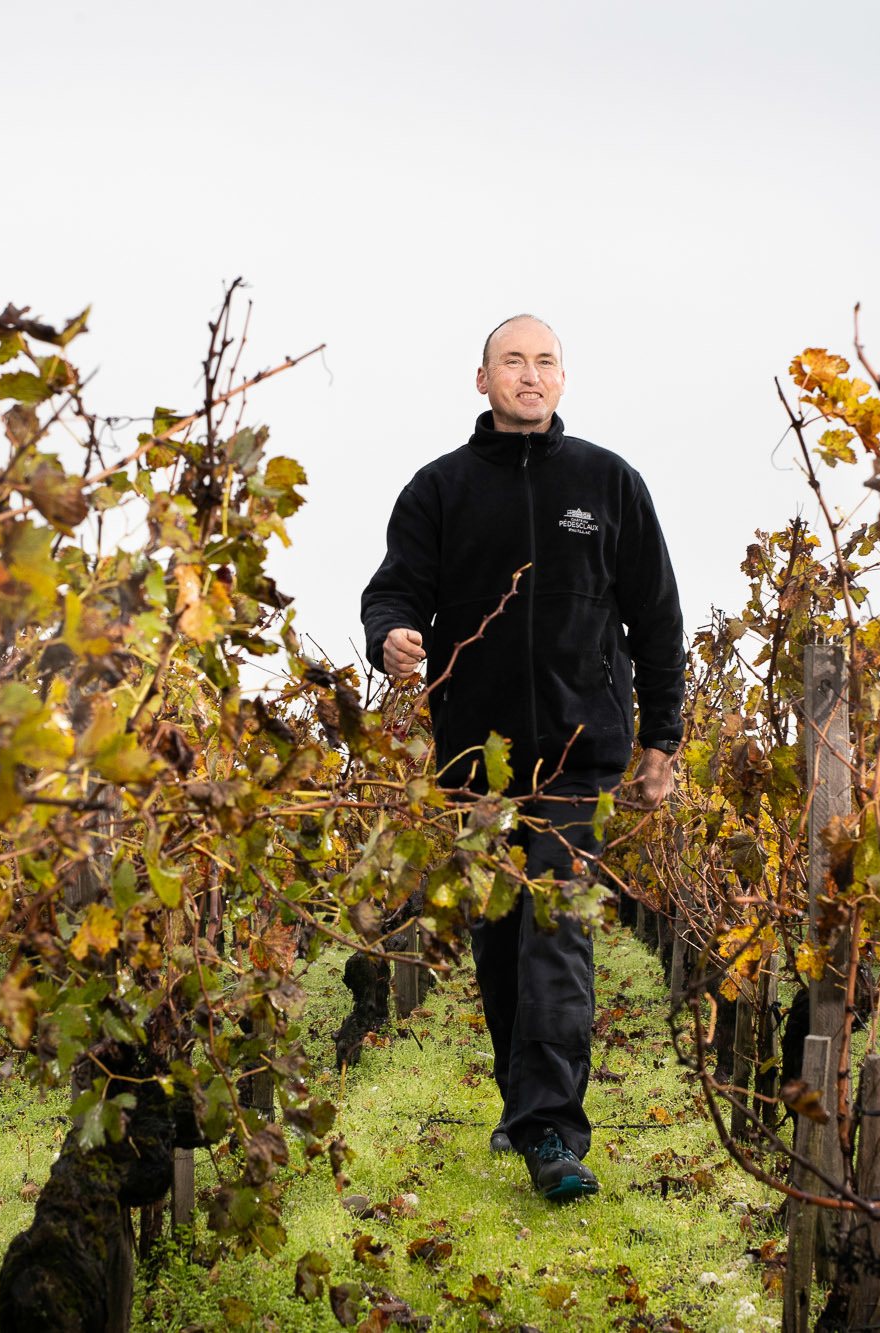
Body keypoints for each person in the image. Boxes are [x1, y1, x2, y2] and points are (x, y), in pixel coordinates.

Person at [360, 314, 685, 1202]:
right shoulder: (440, 490)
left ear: (563, 380)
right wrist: (390, 633)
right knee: (500, 938)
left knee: (554, 929)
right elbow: (395, 588)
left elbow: (657, 620)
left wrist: (662, 740)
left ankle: (551, 1131)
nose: (530, 376)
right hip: (476, 761)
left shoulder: (609, 483)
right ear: (483, 380)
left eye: (545, 362)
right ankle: (524, 1101)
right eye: (514, 361)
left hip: (581, 759)